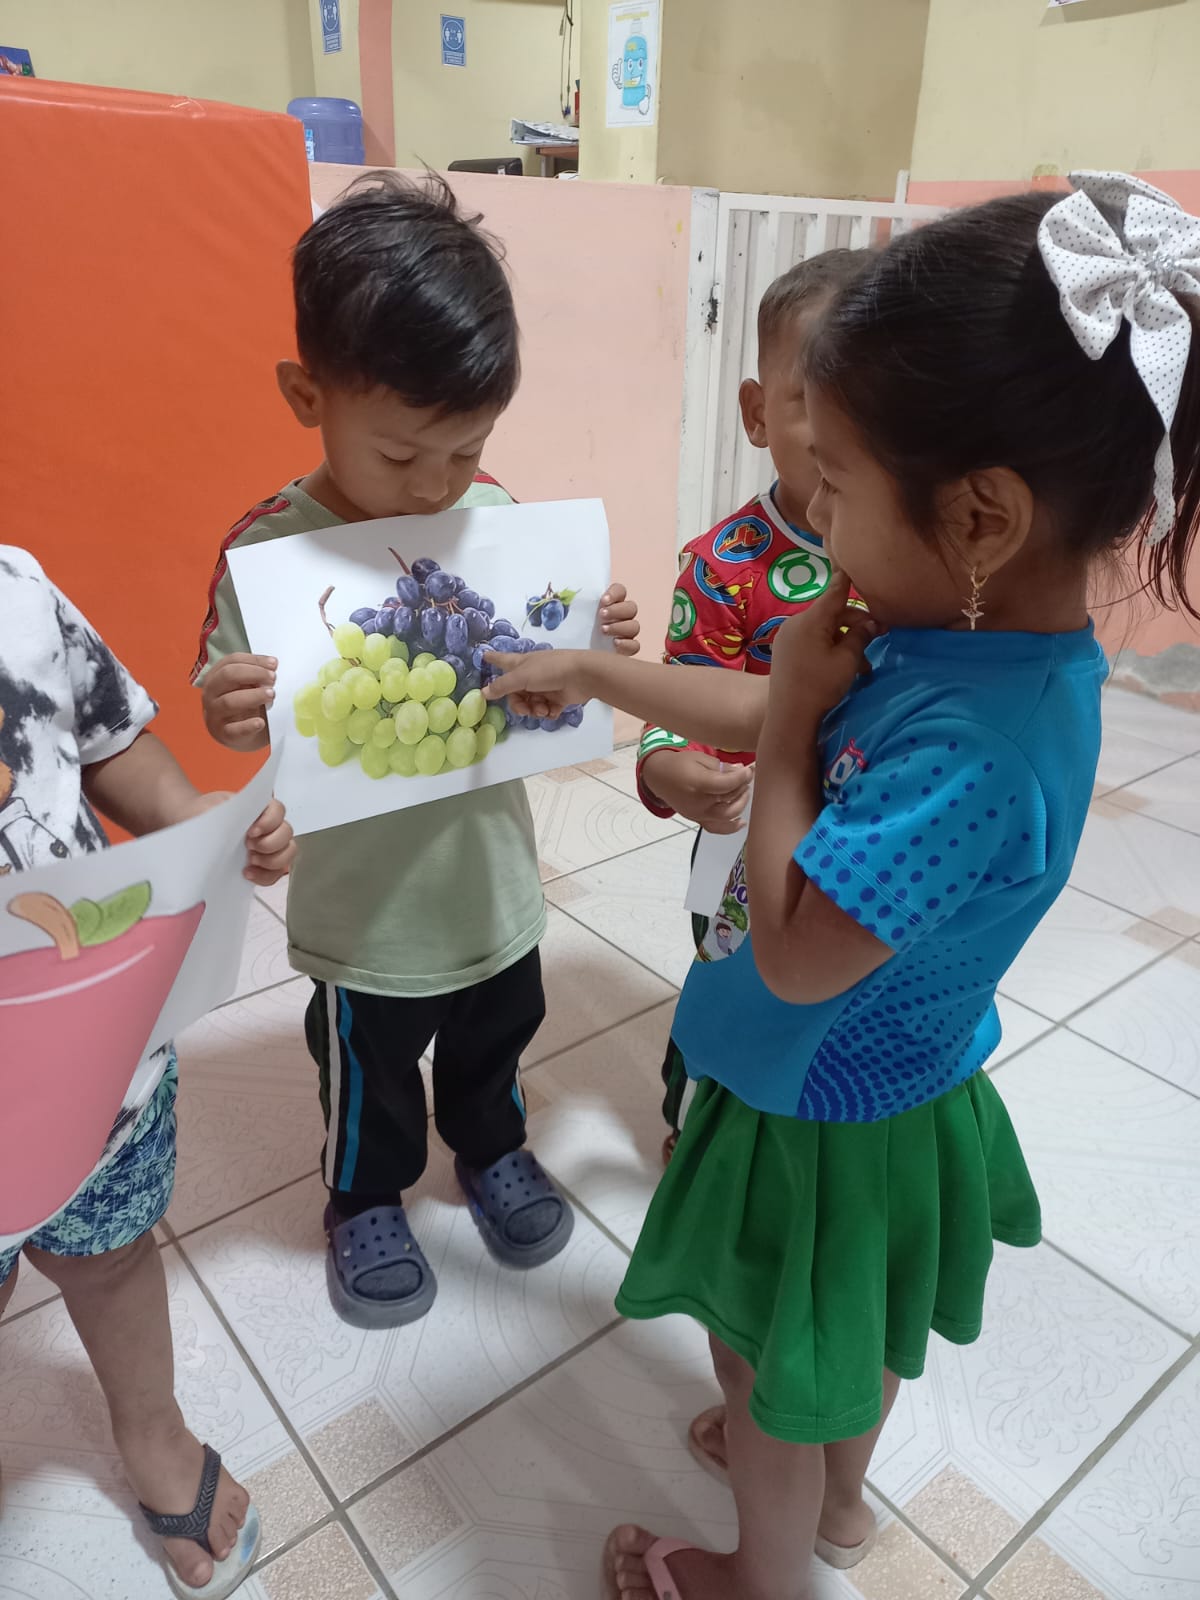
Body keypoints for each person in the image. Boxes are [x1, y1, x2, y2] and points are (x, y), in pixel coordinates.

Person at [484, 172, 1200, 1600]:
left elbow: (799, 951)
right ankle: (841, 1499)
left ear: (981, 514)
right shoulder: (971, 638)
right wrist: (598, 675)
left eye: (845, 488)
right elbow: (765, 700)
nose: (819, 521)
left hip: (817, 1107)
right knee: (856, 1335)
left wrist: (795, 723)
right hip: (896, 1085)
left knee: (760, 1364)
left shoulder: (972, 750)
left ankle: (755, 1570)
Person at [194, 173, 640, 1330]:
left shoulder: (492, 513)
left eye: (467, 450)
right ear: (308, 395)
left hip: (490, 876)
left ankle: (491, 1148)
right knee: (370, 1064)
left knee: (499, 1034)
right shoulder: (269, 550)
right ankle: (363, 1196)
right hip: (365, 909)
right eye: (402, 457)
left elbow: (537, 663)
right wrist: (230, 708)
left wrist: (594, 639)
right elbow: (224, 697)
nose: (437, 485)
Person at [0, 546, 296, 1600]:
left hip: (96, 1068)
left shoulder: (17, 587)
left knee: (114, 1255)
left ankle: (152, 1427)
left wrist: (185, 815)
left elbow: (104, 740)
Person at [637, 251, 865, 1163]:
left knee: (835, 1004)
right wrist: (666, 761)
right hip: (744, 839)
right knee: (728, 986)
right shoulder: (725, 564)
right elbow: (683, 686)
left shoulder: (923, 562)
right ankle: (694, 1120)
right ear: (757, 412)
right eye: (814, 401)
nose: (845, 431)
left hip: (868, 837)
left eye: (875, 401)